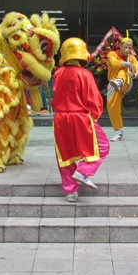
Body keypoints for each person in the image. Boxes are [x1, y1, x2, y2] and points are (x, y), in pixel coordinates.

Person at [52, 37, 110, 203]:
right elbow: (95, 100)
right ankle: (83, 171)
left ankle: (71, 191)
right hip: (81, 117)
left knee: (65, 155)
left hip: (60, 118)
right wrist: (93, 117)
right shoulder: (85, 74)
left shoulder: (57, 73)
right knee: (103, 145)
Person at [106, 37, 138, 141]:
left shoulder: (132, 58)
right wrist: (126, 64)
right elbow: (115, 64)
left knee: (122, 72)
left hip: (126, 84)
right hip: (113, 84)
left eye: (130, 48)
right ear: (120, 46)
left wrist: (133, 73)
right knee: (112, 106)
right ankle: (119, 132)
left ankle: (119, 81)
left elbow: (137, 69)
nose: (127, 50)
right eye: (125, 47)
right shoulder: (112, 54)